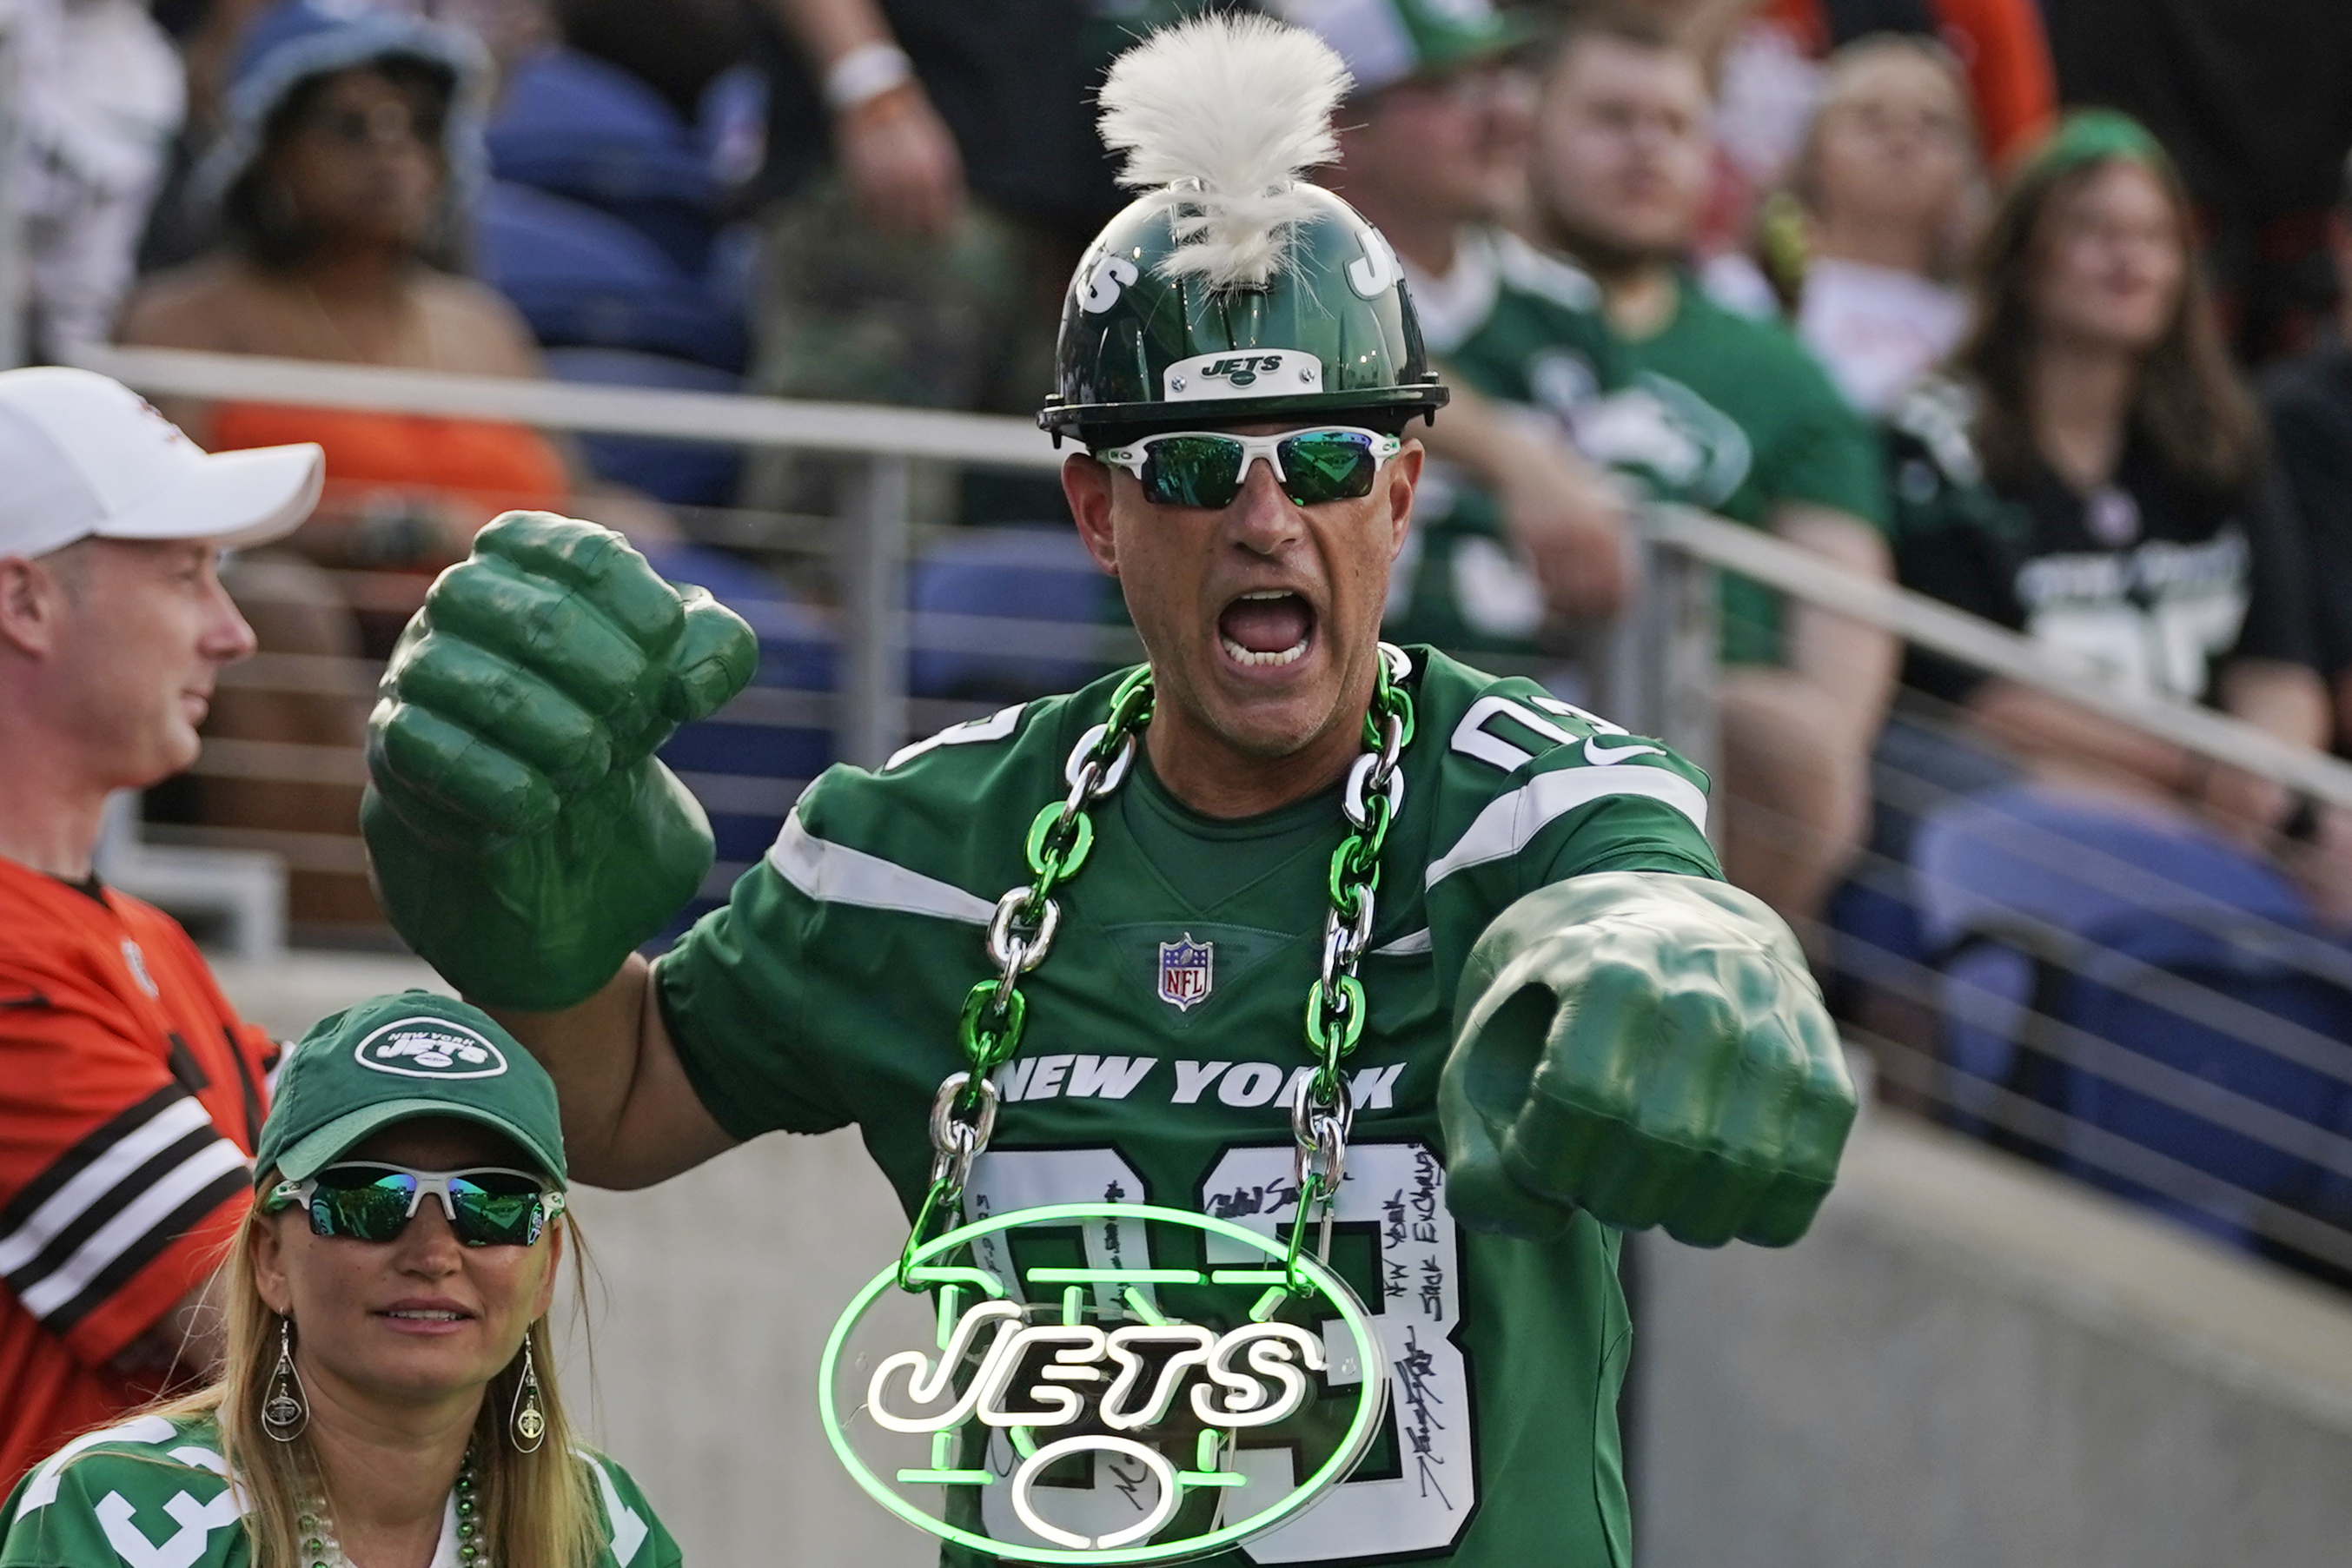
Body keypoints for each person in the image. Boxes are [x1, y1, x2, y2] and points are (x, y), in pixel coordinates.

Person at [356, 17, 1856, 1566]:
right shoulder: (925, 849)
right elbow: (618, 1097)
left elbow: (1637, 885)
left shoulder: (1521, 804)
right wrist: (504, 890)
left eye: (1327, 462)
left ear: (1401, 490)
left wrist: (1687, 945)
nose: (1269, 519)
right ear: (1096, 507)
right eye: (1199, 470)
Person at [116, 2, 586, 936]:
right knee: (280, 607)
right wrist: (376, 532)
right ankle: (347, 958)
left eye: (416, 128)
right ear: (270, 152)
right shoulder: (185, 320)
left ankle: (561, 954)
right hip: (289, 629)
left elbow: (573, 491)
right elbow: (159, 519)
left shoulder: (485, 328)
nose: (391, 152)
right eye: (350, 126)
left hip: (489, 627)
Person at [1437, 11, 1898, 935]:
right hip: (1449, 712)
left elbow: (1841, 628)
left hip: (1698, 762)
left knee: (1787, 746)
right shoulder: (1449, 306)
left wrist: (1796, 788)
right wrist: (1520, 464)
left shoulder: (1778, 370)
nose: (1646, 149)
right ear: (1528, 130)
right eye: (1610, 119)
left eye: (1676, 126)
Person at [0, 990, 683, 1568]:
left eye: (492, 1204)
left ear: (545, 1268)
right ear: (271, 1258)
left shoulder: (606, 1532)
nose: (433, 1252)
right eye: (368, 1199)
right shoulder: (113, 1514)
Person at [0, 366, 322, 1486]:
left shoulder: (139, 934)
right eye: (186, 573)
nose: (231, 632)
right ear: (25, 601)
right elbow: (300, 1336)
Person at [1886, 111, 2331, 897]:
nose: (2129, 259)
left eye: (2155, 237)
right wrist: (2195, 772)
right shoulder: (1932, 441)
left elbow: (2281, 671)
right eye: (2093, 230)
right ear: (2021, 257)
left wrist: (2261, 779)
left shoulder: (2224, 445)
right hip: (2028, 796)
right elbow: (1980, 699)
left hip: (2228, 810)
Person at [1284, 0, 1636, 645]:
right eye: (1451, 87)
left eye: (1503, 78)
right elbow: (1318, 341)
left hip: (1533, 717)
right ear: (1340, 129)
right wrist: (1518, 462)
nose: (1504, 114)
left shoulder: (1561, 308)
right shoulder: (1250, 283)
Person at [1766, 35, 1984, 416]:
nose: (1902, 142)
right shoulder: (1748, 293)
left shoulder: (1981, 322)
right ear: (1813, 150)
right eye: (1871, 118)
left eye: (1933, 125)